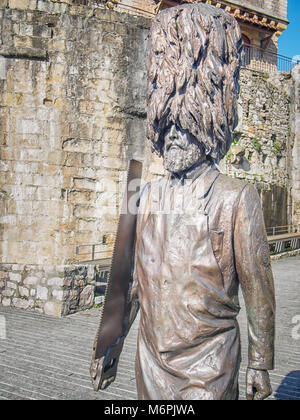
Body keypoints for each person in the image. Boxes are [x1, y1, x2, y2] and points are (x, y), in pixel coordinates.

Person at [129, 3, 275, 400]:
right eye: (166, 125)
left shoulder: (235, 198)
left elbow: (258, 285)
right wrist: (108, 340)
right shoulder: (148, 196)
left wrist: (260, 361)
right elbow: (135, 282)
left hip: (209, 365)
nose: (173, 136)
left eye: (185, 124)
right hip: (150, 358)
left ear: (209, 125)